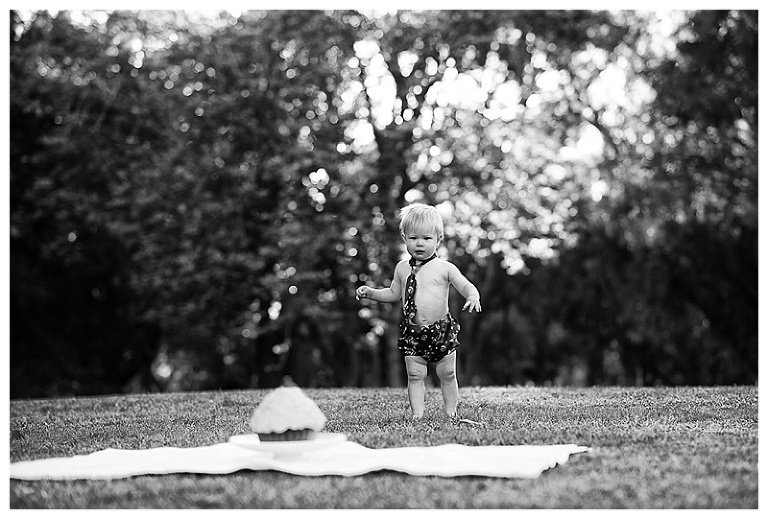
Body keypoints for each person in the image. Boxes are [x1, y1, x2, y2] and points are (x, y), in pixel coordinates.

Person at [356, 203, 481, 420]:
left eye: (426, 238)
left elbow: (464, 285)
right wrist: (371, 293)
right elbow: (394, 293)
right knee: (415, 375)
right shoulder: (402, 268)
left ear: (438, 240)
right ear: (404, 238)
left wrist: (473, 296)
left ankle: (451, 411)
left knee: (447, 373)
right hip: (413, 331)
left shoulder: (445, 268)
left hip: (441, 330)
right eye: (413, 238)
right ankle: (417, 415)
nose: (419, 243)